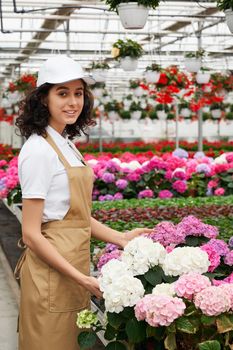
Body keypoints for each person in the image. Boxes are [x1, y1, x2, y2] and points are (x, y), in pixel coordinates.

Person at [15, 55, 152, 350]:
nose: (72, 102)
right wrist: (84, 279)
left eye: (78, 93)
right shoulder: (39, 151)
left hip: (71, 266)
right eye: (62, 93)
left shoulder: (65, 145)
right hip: (52, 272)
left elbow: (73, 216)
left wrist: (122, 238)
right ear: (43, 99)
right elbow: (31, 233)